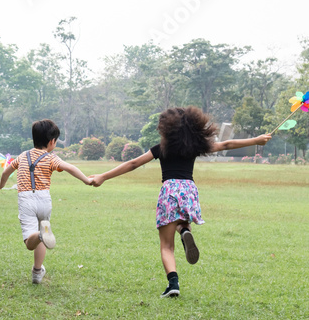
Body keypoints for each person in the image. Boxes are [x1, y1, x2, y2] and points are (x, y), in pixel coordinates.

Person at [90, 106, 271, 297]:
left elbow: (133, 163)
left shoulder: (161, 149)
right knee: (180, 220)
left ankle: (173, 284)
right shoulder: (195, 147)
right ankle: (184, 230)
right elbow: (226, 144)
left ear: (166, 128)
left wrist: (103, 176)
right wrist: (256, 140)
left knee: (167, 245)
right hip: (189, 191)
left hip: (169, 191)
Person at [0, 119, 92, 284]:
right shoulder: (51, 158)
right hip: (44, 200)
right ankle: (37, 271)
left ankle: (41, 235)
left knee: (30, 241)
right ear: (51, 142)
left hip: (26, 199)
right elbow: (69, 167)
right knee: (41, 233)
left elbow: (6, 171)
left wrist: (0, 184)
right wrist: (86, 180)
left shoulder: (22, 156)